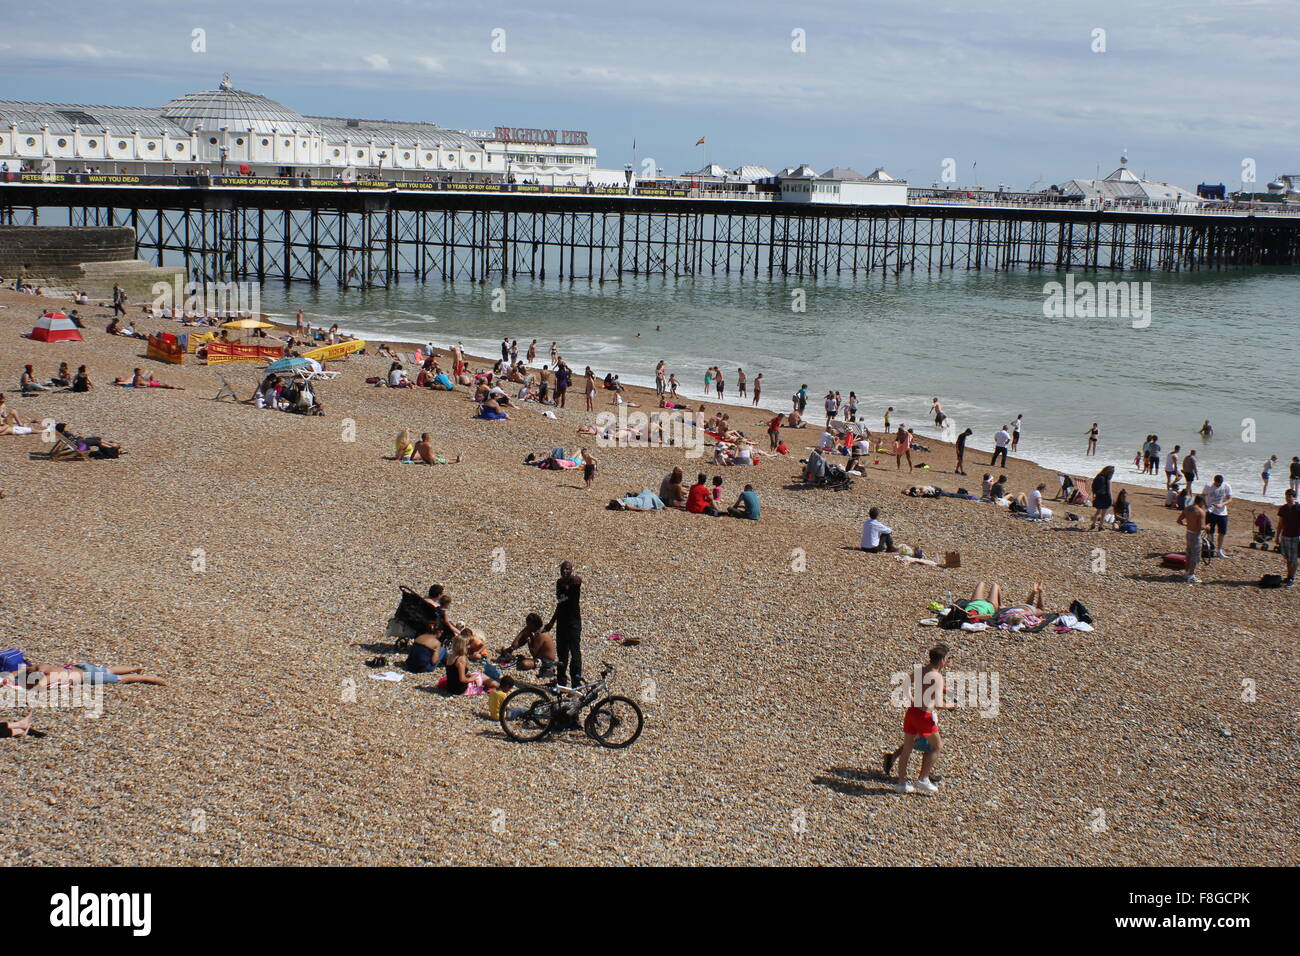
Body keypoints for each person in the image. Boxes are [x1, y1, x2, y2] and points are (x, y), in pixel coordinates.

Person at [891, 644, 955, 796]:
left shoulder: (922, 670)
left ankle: (901, 785)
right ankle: (923, 779)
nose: (949, 661)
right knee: (937, 746)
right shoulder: (937, 676)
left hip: (912, 713)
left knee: (907, 749)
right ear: (942, 660)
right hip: (924, 716)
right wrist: (950, 705)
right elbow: (938, 704)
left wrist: (911, 698)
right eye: (948, 658)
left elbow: (906, 682)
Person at [542, 561, 583, 687]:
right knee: (562, 654)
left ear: (571, 570)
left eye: (568, 569)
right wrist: (551, 623)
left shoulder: (574, 582)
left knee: (575, 652)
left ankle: (576, 683)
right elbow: (560, 604)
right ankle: (561, 682)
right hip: (562, 622)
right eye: (563, 569)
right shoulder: (559, 583)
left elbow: (578, 580)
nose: (565, 571)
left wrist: (574, 579)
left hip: (574, 623)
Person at [1177, 494, 1208, 584]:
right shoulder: (1201, 512)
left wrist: (1187, 525)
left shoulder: (1187, 509)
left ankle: (1186, 573)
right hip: (1196, 535)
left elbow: (1179, 521)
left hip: (1188, 533)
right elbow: (1202, 527)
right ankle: (1191, 575)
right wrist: (1208, 527)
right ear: (1201, 502)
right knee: (1195, 555)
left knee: (1189, 554)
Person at [1202, 474, 1232, 557]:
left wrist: (1222, 504)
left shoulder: (1226, 486)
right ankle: (1211, 549)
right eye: (1216, 484)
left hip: (1222, 513)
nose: (1218, 485)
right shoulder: (1208, 486)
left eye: (1219, 484)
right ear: (1214, 481)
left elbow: (1230, 499)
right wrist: (1206, 506)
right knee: (1210, 532)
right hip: (1211, 512)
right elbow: (1202, 496)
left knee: (1222, 532)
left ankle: (1219, 551)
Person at [1276, 489, 1299, 587]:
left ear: (1295, 497)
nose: (1288, 498)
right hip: (1285, 536)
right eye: (1287, 496)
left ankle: (1291, 578)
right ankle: (1289, 576)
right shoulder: (1283, 508)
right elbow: (1280, 523)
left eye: (1290, 496)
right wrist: (1277, 536)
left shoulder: (1298, 508)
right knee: (1288, 558)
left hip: (1296, 536)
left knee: (1294, 559)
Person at [1089, 465, 1115, 531]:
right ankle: (1101, 526)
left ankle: (1093, 525)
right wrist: (1111, 499)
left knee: (1098, 512)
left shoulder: (1099, 476)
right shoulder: (1108, 479)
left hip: (1099, 496)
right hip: (1106, 497)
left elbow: (1093, 487)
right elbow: (1109, 491)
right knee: (1104, 513)